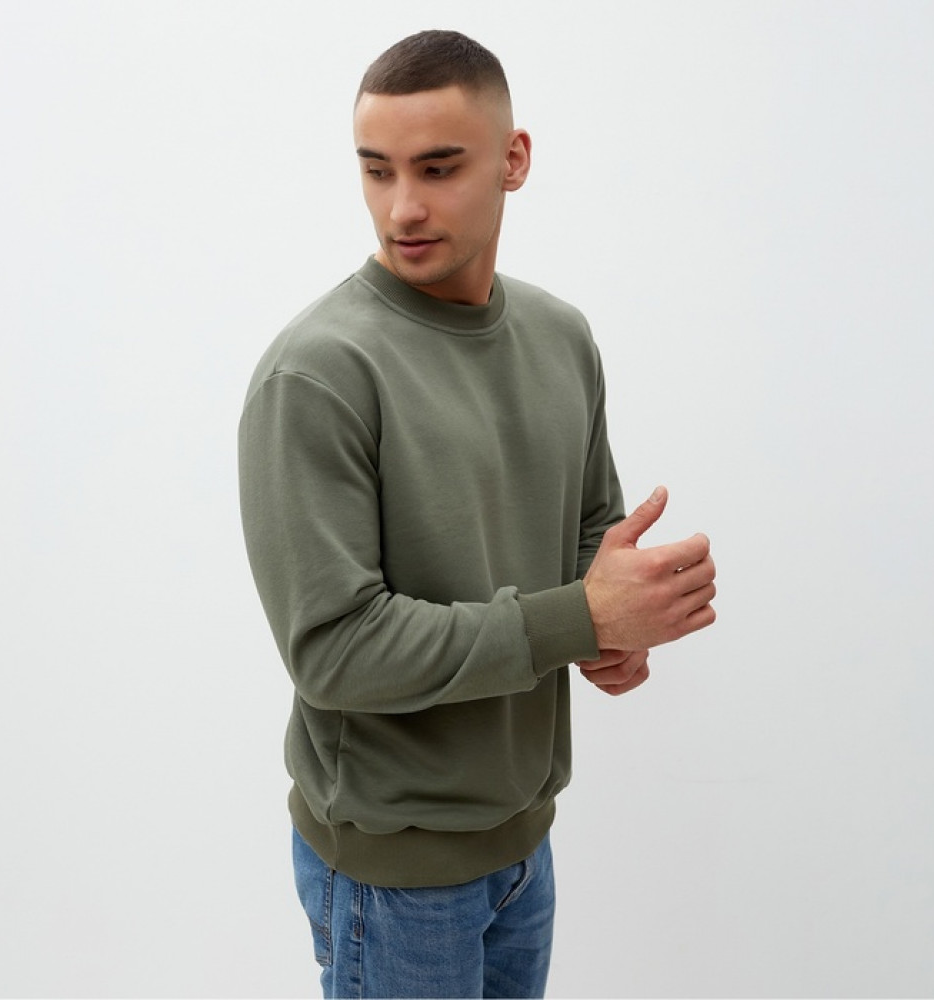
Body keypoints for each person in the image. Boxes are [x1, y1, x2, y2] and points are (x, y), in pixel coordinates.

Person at [238, 29, 716, 1000]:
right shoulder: (319, 374)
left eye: (437, 167)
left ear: (513, 159)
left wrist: (614, 631)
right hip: (392, 874)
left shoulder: (560, 337)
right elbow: (334, 651)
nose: (401, 208)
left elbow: (586, 542)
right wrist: (578, 618)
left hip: (523, 845)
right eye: (376, 170)